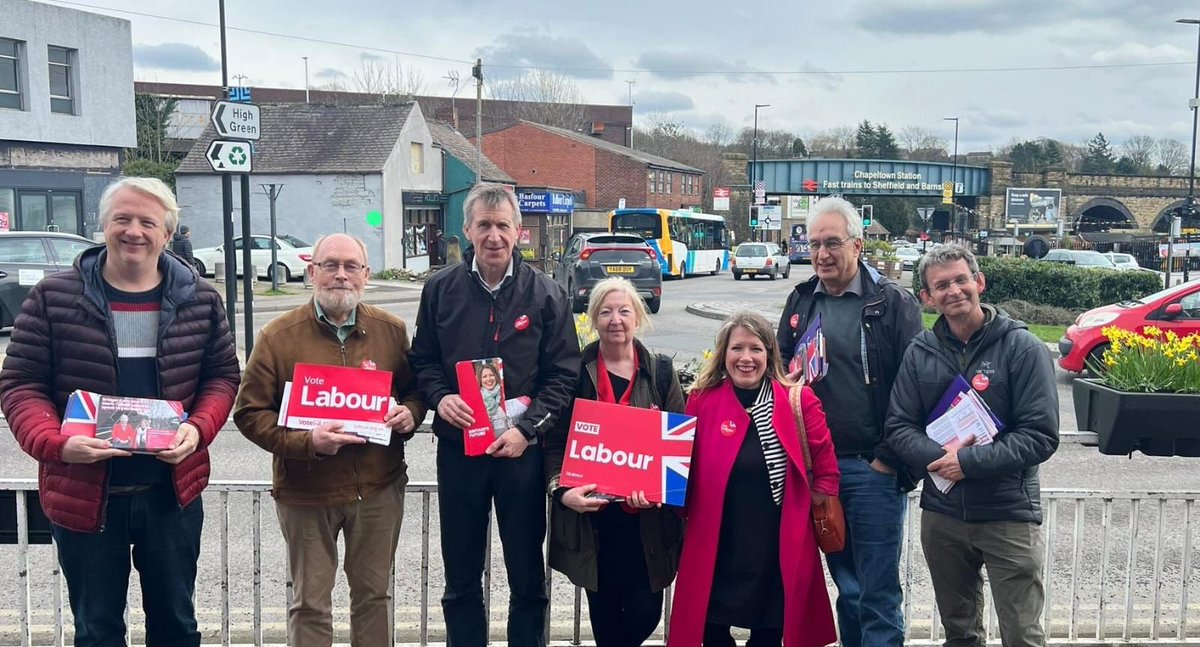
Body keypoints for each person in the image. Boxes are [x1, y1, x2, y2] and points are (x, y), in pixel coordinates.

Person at [0, 176, 240, 647]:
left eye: (148, 222)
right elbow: (20, 384)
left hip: (170, 495)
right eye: (122, 219)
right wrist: (58, 444)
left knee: (176, 626)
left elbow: (222, 377)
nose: (134, 231)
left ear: (167, 234)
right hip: (86, 493)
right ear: (102, 225)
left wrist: (198, 427)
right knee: (97, 630)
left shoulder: (201, 299)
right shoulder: (53, 297)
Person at [234, 233, 427, 647]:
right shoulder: (277, 336)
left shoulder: (390, 331)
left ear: (365, 275)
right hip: (306, 492)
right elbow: (249, 414)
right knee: (309, 604)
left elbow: (415, 392)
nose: (341, 275)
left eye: (351, 266)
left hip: (377, 489)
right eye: (330, 265)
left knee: (374, 597)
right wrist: (308, 442)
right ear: (312, 272)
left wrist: (410, 413)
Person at [410, 182, 579, 647]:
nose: (493, 236)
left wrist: (527, 431)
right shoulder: (440, 290)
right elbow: (421, 360)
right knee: (460, 576)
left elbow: (563, 376)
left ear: (518, 231)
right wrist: (440, 397)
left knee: (527, 577)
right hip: (459, 452)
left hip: (519, 454)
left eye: (503, 225)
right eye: (483, 225)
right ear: (466, 229)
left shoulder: (546, 295)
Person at [885, 243, 1059, 647]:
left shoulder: (1023, 348)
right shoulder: (919, 352)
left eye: (962, 280)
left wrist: (969, 462)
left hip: (1008, 513)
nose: (954, 291)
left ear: (979, 282)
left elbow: (1039, 435)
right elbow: (898, 427)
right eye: (941, 285)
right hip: (944, 516)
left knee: (1021, 633)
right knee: (960, 633)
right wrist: (943, 460)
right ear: (927, 298)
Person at [775, 196, 923, 647]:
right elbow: (778, 373)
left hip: (872, 469)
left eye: (832, 243)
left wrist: (890, 460)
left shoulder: (893, 303)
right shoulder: (801, 301)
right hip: (819, 472)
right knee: (849, 589)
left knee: (877, 593)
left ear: (858, 245)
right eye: (814, 243)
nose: (821, 254)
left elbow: (915, 387)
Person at [669, 311, 839, 647]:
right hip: (717, 542)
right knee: (710, 629)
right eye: (737, 348)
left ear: (769, 355)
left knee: (770, 632)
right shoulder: (701, 400)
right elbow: (680, 467)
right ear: (724, 354)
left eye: (756, 349)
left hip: (775, 545)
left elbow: (827, 471)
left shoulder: (799, 400)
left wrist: (809, 505)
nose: (746, 358)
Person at [544, 277, 686, 646]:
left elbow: (680, 448)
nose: (615, 319)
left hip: (646, 526)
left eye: (624, 310)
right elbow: (555, 442)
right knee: (605, 621)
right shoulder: (575, 374)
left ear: (638, 316)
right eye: (605, 311)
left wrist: (660, 492)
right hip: (594, 524)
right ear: (593, 319)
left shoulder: (661, 373)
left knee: (645, 614)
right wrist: (562, 490)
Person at [478, 362, 508, 430]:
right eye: (484, 376)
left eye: (491, 375)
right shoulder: (477, 398)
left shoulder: (504, 392)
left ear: (496, 376)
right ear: (480, 379)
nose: (488, 379)